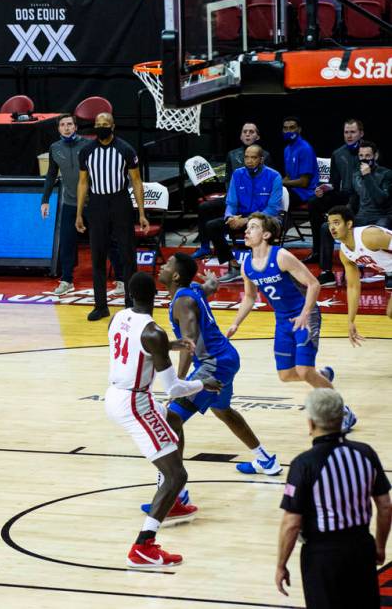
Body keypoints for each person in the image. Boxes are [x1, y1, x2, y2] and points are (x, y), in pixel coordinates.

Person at [105, 272, 215, 569]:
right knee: (177, 476)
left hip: (115, 394)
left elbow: (137, 347)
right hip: (135, 403)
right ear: (157, 294)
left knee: (174, 420)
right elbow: (175, 388)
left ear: (130, 295)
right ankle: (143, 545)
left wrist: (169, 346)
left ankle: (172, 498)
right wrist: (204, 384)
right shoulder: (154, 332)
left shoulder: (118, 317)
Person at [225, 213, 358, 429]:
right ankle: (321, 375)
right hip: (282, 320)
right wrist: (236, 323)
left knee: (304, 370)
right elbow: (249, 297)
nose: (247, 231)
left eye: (253, 227)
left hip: (305, 315)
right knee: (286, 375)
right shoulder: (246, 264)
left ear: (266, 234)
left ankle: (343, 412)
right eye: (247, 228)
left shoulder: (281, 256)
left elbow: (314, 284)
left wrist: (306, 312)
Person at [157, 252, 282, 478]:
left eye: (166, 265)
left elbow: (188, 344)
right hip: (225, 358)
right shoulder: (193, 291)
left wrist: (179, 382)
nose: (161, 267)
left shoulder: (183, 301)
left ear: (175, 275)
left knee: (172, 418)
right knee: (222, 410)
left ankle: (175, 486)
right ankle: (265, 459)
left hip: (213, 363)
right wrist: (210, 280)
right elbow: (211, 286)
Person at [276, 387, 391, 609]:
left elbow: (291, 523)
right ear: (342, 418)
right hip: (361, 546)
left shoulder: (304, 464)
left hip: (323, 556)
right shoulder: (365, 453)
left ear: (310, 423)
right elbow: (385, 506)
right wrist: (379, 546)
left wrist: (281, 564)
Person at [76, 112, 148, 320]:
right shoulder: (87, 151)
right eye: (98, 124)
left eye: (105, 124)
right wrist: (80, 213)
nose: (101, 127)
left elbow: (136, 181)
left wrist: (141, 213)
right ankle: (101, 305)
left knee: (127, 254)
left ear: (113, 126)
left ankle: (130, 302)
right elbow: (83, 183)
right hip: (97, 203)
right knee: (97, 254)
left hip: (120, 202)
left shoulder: (125, 149)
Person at [41, 114, 124, 296]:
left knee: (108, 241)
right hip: (70, 202)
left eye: (70, 124)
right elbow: (51, 174)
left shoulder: (89, 146)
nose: (66, 128)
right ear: (58, 129)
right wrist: (45, 200)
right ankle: (66, 280)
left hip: (94, 202)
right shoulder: (55, 148)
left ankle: (121, 280)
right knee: (67, 242)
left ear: (76, 127)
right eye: (62, 125)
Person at [193, 122, 267, 259]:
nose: (247, 134)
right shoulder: (232, 155)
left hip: (254, 202)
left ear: (257, 136)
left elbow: (265, 183)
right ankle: (205, 247)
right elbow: (227, 179)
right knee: (204, 207)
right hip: (233, 198)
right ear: (240, 136)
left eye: (251, 132)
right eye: (245, 131)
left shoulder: (265, 156)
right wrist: (232, 197)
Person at [212, 145, 283, 283]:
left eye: (253, 157)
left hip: (266, 220)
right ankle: (233, 266)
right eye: (247, 157)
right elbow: (231, 202)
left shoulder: (274, 176)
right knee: (212, 226)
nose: (249, 161)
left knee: (258, 227)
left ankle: (265, 268)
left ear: (261, 159)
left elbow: (272, 209)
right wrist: (230, 217)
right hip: (241, 217)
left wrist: (246, 221)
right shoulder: (238, 174)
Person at [327, 205, 392, 345]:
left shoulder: (370, 236)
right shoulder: (345, 253)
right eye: (330, 224)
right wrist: (350, 320)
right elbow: (353, 287)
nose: (332, 227)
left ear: (349, 224)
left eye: (336, 223)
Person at [310, 118, 361, 281]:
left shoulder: (367, 151)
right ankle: (318, 251)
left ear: (361, 133)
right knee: (314, 203)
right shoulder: (337, 154)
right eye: (346, 132)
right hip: (342, 195)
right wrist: (323, 189)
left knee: (350, 204)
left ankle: (354, 256)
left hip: (361, 196)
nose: (349, 135)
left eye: (353, 132)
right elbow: (333, 182)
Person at [350, 141, 392, 228]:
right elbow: (353, 200)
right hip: (361, 216)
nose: (364, 159)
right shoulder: (356, 175)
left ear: (375, 156)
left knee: (377, 230)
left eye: (368, 156)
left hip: (381, 216)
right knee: (326, 227)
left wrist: (367, 176)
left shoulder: (386, 173)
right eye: (361, 156)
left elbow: (381, 200)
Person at [281, 116, 318, 210]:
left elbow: (304, 182)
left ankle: (278, 224)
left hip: (305, 193)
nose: (288, 131)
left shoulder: (305, 149)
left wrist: (281, 183)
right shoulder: (287, 149)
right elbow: (288, 176)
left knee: (276, 197)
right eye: (285, 128)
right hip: (293, 190)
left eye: (292, 127)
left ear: (299, 129)